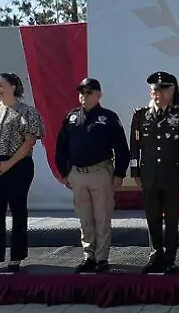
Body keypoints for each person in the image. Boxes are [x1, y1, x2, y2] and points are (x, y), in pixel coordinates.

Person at [0, 72, 45, 273]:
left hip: (18, 166)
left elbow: (30, 141)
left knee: (18, 209)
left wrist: (9, 164)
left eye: (1, 85)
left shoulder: (27, 111)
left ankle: (16, 257)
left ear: (13, 86)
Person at [55, 77, 130, 273]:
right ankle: (88, 255)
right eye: (81, 92)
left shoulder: (109, 118)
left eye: (88, 92)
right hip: (77, 174)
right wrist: (64, 172)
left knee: (102, 216)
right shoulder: (71, 117)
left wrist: (120, 173)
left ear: (99, 95)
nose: (84, 96)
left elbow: (122, 147)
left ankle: (102, 258)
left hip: (100, 172)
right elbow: (61, 147)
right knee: (85, 217)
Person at [130, 71, 179, 274]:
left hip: (171, 175)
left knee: (172, 219)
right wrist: (135, 171)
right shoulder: (140, 116)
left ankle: (170, 257)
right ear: (151, 92)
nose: (159, 93)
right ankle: (155, 253)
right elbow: (135, 147)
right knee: (152, 217)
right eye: (155, 90)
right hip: (149, 175)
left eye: (164, 89)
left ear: (171, 91)